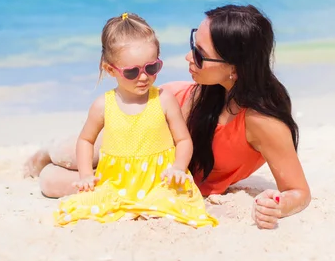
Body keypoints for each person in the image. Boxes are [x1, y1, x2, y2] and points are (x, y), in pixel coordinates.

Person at [27, 4, 311, 230]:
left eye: (200, 54)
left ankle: (50, 161)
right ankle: (46, 150)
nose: (188, 57)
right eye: (193, 43)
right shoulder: (207, 93)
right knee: (68, 152)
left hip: (161, 171)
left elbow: (298, 191)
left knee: (52, 182)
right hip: (138, 125)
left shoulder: (263, 122)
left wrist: (276, 205)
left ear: (233, 69)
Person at [53, 12, 217, 228]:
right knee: (83, 205)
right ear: (110, 69)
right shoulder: (103, 105)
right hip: (116, 183)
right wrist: (86, 175)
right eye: (132, 72)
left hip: (160, 181)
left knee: (173, 205)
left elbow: (183, 141)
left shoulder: (164, 99)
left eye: (152, 67)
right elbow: (85, 140)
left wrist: (178, 167)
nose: (143, 77)